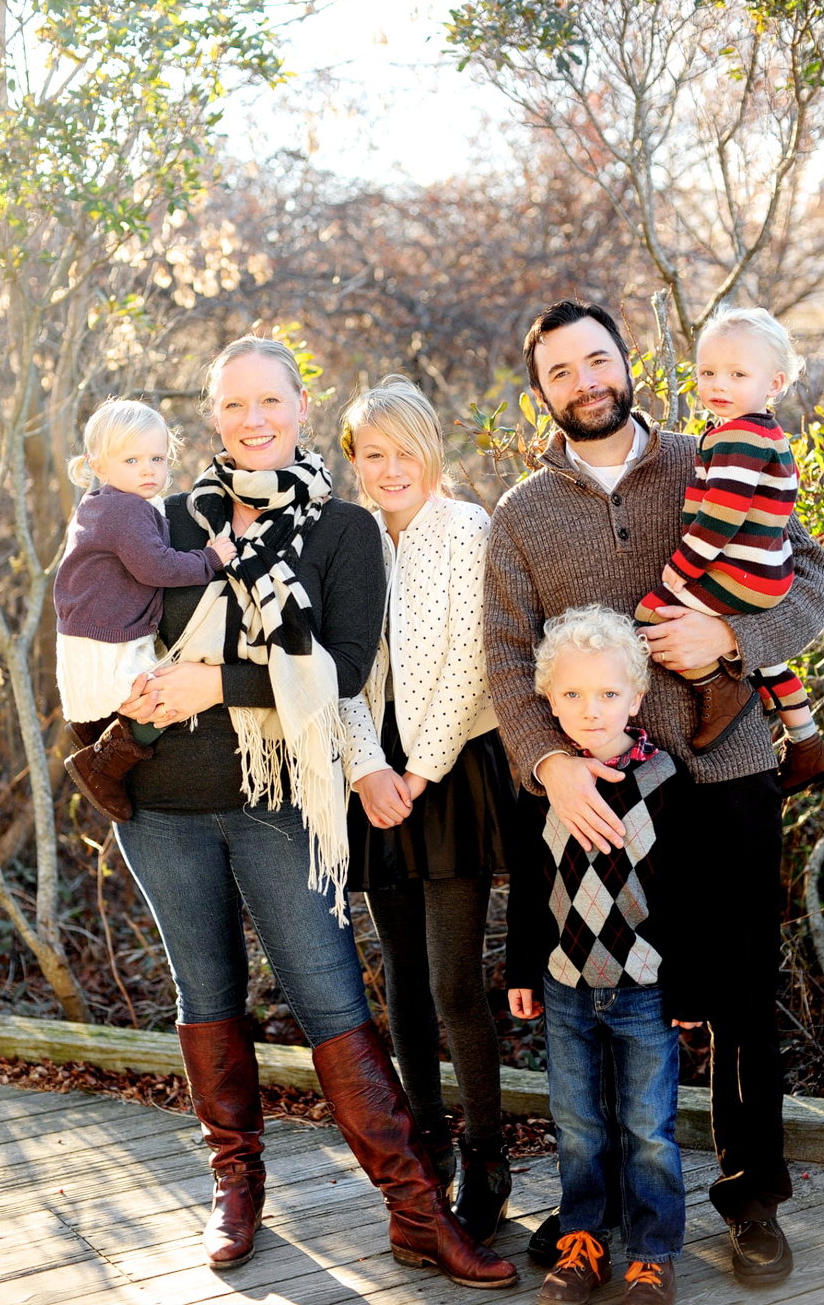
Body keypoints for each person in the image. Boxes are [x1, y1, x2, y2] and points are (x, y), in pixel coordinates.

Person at [111, 336, 517, 1288]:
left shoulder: (341, 529)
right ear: (213, 414)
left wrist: (216, 683)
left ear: (301, 406)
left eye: (271, 401)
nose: (254, 420)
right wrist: (122, 688)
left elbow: (338, 666)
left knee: (337, 999)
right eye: (235, 404)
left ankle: (418, 1212)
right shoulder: (163, 521)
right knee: (206, 1000)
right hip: (161, 806)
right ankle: (236, 1191)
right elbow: (99, 629)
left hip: (282, 801)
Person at [483, 300, 824, 1289]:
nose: (586, 379)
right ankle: (602, 1202)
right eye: (562, 369)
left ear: (627, 362)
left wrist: (733, 641)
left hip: (724, 776)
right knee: (604, 1000)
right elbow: (507, 661)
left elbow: (809, 580)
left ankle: (751, 1196)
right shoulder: (521, 514)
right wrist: (549, 762)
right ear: (543, 389)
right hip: (596, 797)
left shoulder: (713, 454)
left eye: (599, 358)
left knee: (736, 996)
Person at [339, 376, 515, 1246]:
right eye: (373, 454)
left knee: (452, 980)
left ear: (431, 451)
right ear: (355, 465)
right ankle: (428, 1148)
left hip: (450, 778)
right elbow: (333, 667)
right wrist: (370, 768)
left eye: (404, 450)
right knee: (402, 982)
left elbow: (475, 660)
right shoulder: (349, 537)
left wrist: (418, 770)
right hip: (370, 783)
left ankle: (488, 1150)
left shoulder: (466, 530)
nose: (390, 468)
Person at [508, 605, 708, 1305]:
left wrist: (689, 987)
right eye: (570, 695)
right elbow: (531, 889)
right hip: (565, 985)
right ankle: (583, 1241)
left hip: (647, 989)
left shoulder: (665, 784)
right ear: (547, 699)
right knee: (577, 1123)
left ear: (637, 696)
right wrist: (518, 970)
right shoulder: (542, 790)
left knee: (648, 1127)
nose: (590, 711)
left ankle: (653, 1255)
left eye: (607, 694)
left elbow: (686, 896)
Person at [634, 305, 824, 793]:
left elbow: (720, 518)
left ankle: (719, 691)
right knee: (767, 659)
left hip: (744, 574)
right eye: (707, 372)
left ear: (774, 383)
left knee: (652, 614)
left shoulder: (742, 437)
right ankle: (807, 743)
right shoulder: (752, 430)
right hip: (765, 571)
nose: (718, 384)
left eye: (737, 373)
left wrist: (681, 570)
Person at [55, 399, 236, 822]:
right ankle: (100, 766)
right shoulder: (126, 509)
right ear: (99, 464)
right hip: (105, 636)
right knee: (160, 701)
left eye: (157, 458)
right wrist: (208, 559)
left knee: (128, 696)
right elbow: (155, 565)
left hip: (91, 630)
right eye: (132, 459)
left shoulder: (103, 502)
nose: (148, 470)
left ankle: (91, 735)